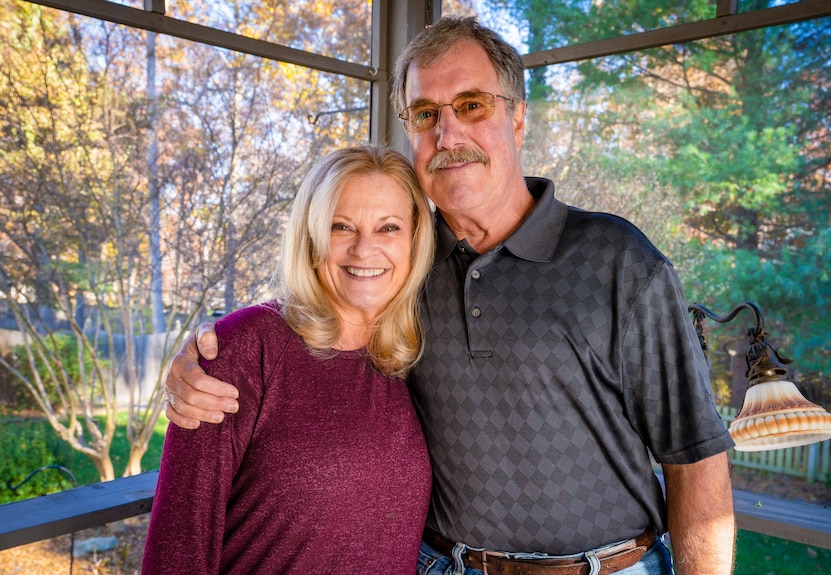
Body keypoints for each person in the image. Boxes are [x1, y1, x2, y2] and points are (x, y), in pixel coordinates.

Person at [164, 17, 736, 575]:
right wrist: (206, 354)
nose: (448, 134)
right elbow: (319, 312)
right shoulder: (406, 266)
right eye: (425, 114)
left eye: (471, 105)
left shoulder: (618, 260)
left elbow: (695, 456)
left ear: (516, 117)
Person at [142, 145, 436, 574]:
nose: (364, 249)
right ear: (312, 236)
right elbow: (178, 543)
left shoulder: (410, 352)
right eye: (341, 227)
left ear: (415, 238)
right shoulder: (244, 348)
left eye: (388, 227)